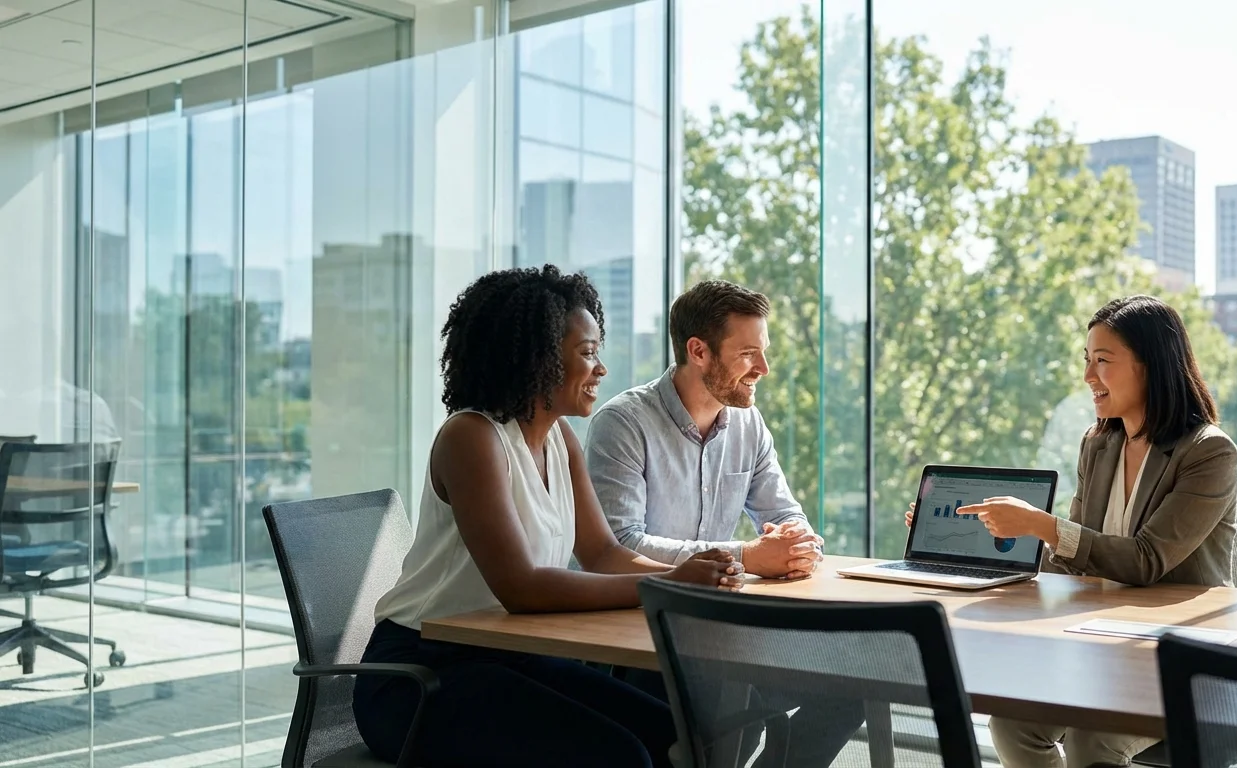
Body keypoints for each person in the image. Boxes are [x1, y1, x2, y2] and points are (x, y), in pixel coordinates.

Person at [353, 266, 743, 768]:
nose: (600, 368)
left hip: (511, 658)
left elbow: (602, 553)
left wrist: (685, 578)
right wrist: (671, 586)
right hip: (423, 675)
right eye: (586, 352)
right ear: (537, 359)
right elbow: (521, 587)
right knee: (619, 756)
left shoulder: (561, 440)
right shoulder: (471, 438)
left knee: (676, 732)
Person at [905, 295, 1237, 768]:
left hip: (1177, 655)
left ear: (1151, 366)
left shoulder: (1209, 453)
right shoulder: (1099, 443)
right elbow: (1073, 556)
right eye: (1087, 360)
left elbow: (1146, 561)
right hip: (1100, 640)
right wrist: (986, 533)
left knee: (1090, 742)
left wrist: (1043, 524)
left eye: (1102, 361)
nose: (1088, 377)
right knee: (1011, 724)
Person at [587, 279, 864, 768]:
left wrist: (796, 541)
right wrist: (746, 556)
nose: (764, 369)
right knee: (729, 705)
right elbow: (618, 543)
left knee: (853, 684)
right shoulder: (623, 423)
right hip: (643, 632)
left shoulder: (748, 423)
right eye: (748, 354)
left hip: (727, 632)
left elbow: (785, 515)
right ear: (698, 351)